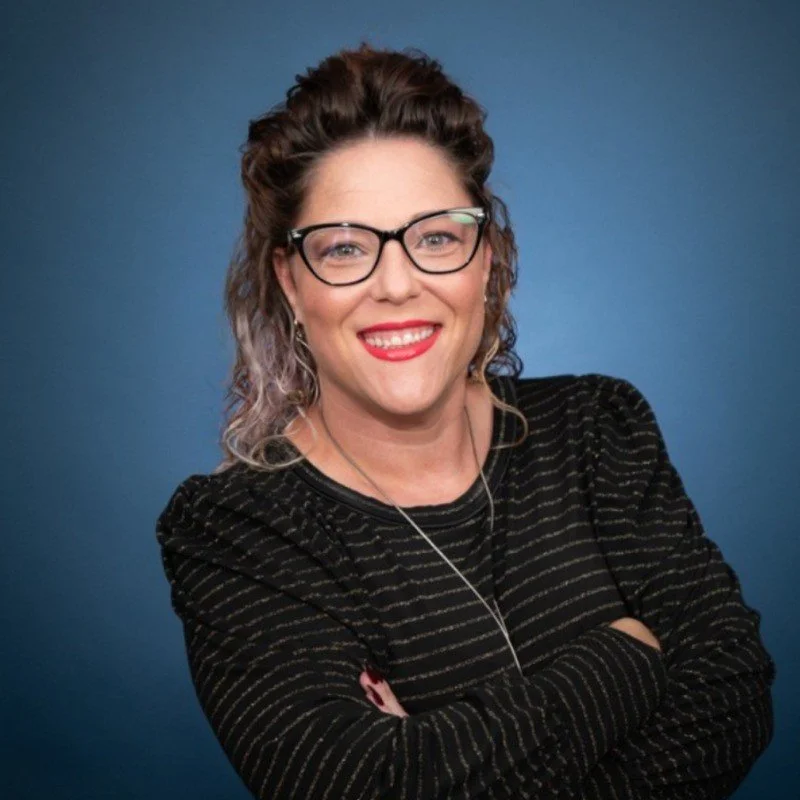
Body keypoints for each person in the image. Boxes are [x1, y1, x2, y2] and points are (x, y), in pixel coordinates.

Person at [155, 44, 775, 799]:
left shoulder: (597, 427)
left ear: (488, 257)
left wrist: (449, 758)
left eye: (437, 236)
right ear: (290, 280)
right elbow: (362, 788)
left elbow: (732, 695)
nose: (397, 283)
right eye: (345, 248)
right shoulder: (237, 531)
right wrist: (628, 656)